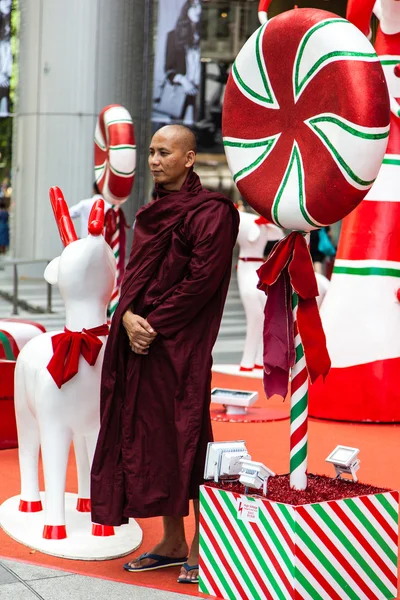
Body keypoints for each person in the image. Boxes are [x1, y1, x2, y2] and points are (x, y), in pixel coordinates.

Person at [91, 124, 239, 583]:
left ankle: (201, 541)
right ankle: (172, 539)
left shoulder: (214, 212)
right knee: (149, 437)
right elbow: (136, 276)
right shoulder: (153, 210)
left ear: (190, 158)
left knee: (188, 436)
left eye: (164, 152)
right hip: (142, 344)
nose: (154, 160)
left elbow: (201, 282)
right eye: (151, 152)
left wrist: (151, 324)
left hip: (181, 346)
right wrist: (129, 314)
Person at [164, 0, 201, 122]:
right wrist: (183, 80)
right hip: (181, 91)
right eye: (194, 6)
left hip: (199, 92)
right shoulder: (174, 36)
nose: (198, 10)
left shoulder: (202, 36)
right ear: (187, 10)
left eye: (200, 6)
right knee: (177, 129)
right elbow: (169, 70)